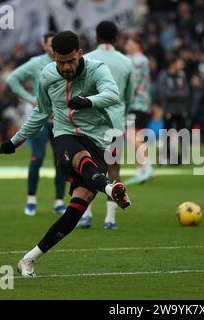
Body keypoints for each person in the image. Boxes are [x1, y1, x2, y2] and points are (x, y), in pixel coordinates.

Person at [0, 31, 131, 277]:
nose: (65, 67)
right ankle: (109, 189)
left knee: (74, 213)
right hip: (65, 135)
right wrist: (15, 141)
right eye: (60, 62)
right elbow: (41, 112)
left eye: (70, 60)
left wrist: (87, 101)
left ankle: (29, 258)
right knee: (80, 157)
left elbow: (113, 94)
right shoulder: (48, 75)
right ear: (54, 58)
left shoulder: (97, 69)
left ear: (79, 54)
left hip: (97, 139)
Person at [77, 21, 135, 230]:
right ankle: (110, 220)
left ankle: (86, 215)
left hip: (91, 125)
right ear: (116, 37)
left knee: (87, 168)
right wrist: (120, 112)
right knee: (114, 169)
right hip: (116, 123)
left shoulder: (87, 59)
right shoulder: (126, 62)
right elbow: (128, 97)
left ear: (97, 36)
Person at [6, 32, 67, 216]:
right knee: (37, 158)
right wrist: (30, 99)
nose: (53, 46)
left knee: (62, 162)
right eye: (50, 43)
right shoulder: (35, 63)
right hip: (41, 118)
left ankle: (59, 201)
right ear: (44, 46)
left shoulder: (65, 62)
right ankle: (31, 200)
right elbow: (12, 79)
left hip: (60, 119)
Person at [122, 35, 156, 185]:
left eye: (129, 43)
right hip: (142, 104)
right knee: (138, 136)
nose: (126, 45)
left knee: (131, 135)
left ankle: (147, 167)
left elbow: (132, 83)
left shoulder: (137, 60)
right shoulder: (140, 59)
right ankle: (141, 170)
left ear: (137, 45)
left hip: (135, 103)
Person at [156, 57, 190, 165]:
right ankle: (165, 157)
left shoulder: (182, 75)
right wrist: (179, 94)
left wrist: (175, 94)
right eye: (179, 62)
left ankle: (183, 157)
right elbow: (164, 93)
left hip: (181, 110)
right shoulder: (164, 76)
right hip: (168, 110)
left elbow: (186, 92)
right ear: (173, 64)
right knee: (166, 135)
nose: (182, 65)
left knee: (183, 134)